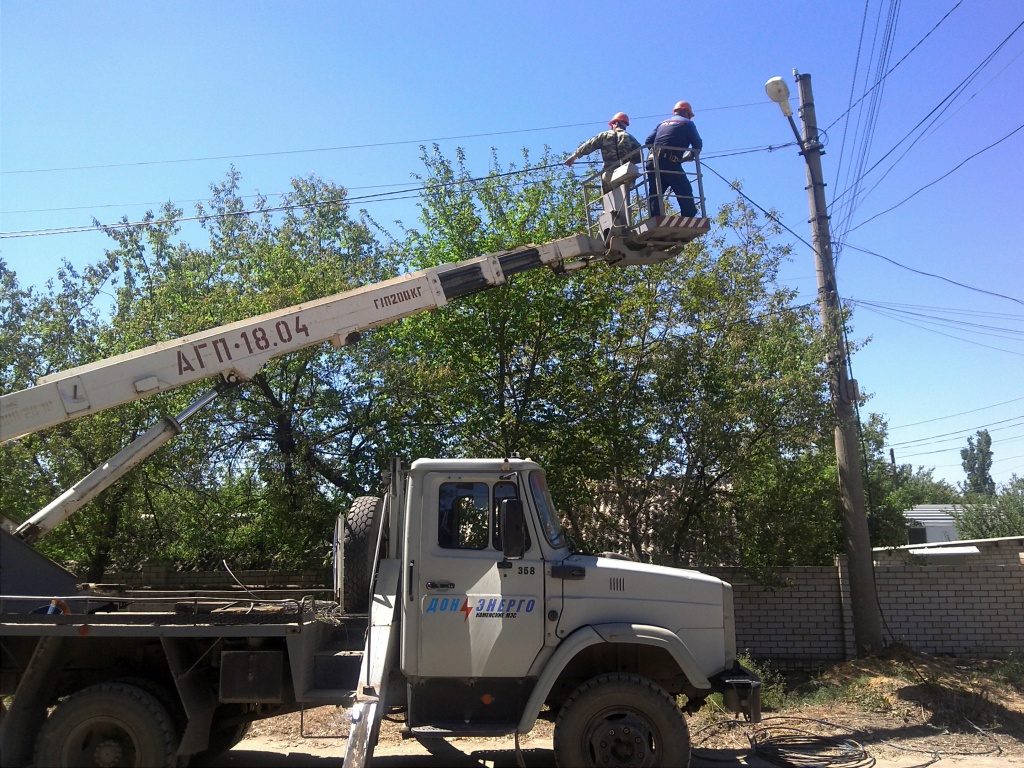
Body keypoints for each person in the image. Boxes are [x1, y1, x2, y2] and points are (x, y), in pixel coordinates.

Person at [645, 101, 703, 217]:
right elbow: (697, 145)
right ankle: (689, 216)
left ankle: (655, 217)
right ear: (687, 113)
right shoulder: (687, 123)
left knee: (656, 192)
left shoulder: (662, 123)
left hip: (652, 161)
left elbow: (648, 142)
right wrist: (688, 157)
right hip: (669, 162)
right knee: (684, 190)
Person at [565, 112, 642, 193]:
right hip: (625, 175)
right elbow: (640, 156)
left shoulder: (604, 136)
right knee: (624, 198)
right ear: (625, 125)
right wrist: (628, 160)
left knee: (609, 201)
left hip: (608, 175)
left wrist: (574, 156)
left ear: (615, 123)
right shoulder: (630, 138)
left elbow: (588, 145)